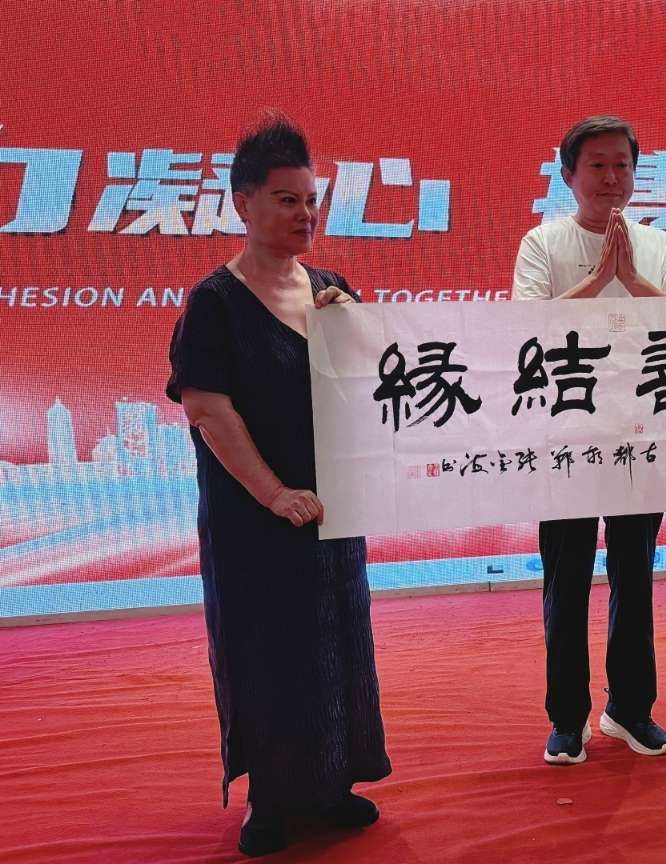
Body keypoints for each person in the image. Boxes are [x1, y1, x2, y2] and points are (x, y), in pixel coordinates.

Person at [166, 116, 390, 856]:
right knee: (267, 648)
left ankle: (332, 783)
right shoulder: (215, 301)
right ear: (244, 204)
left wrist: (356, 332)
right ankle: (269, 798)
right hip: (254, 518)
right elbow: (208, 411)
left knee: (338, 639)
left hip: (334, 506)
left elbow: (376, 387)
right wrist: (272, 494)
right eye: (287, 200)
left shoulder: (332, 290)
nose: (305, 215)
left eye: (311, 200)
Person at [513, 115, 666, 764]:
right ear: (569, 175)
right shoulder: (543, 243)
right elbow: (527, 330)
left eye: (622, 165)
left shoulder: (658, 244)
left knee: (634, 576)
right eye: (597, 165)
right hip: (565, 437)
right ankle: (568, 718)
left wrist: (631, 275)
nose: (612, 178)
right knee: (565, 580)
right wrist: (598, 279)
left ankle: (630, 710)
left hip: (642, 434)